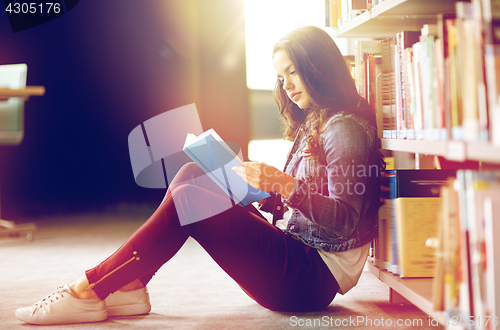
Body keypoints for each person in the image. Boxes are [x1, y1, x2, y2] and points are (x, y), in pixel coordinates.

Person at [15, 25, 384, 325]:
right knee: (194, 171)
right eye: (280, 75)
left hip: (310, 280)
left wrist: (282, 184)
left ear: (318, 66)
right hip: (301, 255)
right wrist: (254, 185)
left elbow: (345, 219)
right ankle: (129, 285)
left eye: (293, 71)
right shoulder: (318, 120)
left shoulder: (343, 129)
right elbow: (299, 207)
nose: (286, 85)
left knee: (191, 198)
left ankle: (91, 289)